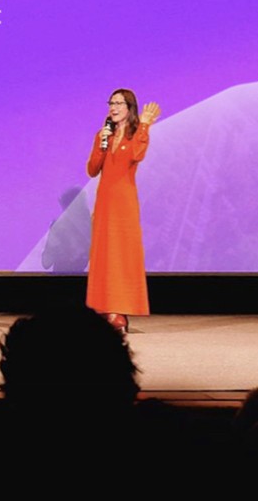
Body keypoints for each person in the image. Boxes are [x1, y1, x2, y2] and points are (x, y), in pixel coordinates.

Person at [85, 88, 159, 332]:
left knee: (122, 257)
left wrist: (145, 126)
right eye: (111, 103)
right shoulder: (102, 135)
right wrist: (102, 144)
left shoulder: (137, 134)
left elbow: (137, 155)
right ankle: (105, 308)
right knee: (104, 256)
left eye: (119, 103)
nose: (113, 108)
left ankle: (119, 311)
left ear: (130, 108)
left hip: (124, 204)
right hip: (104, 202)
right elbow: (93, 169)